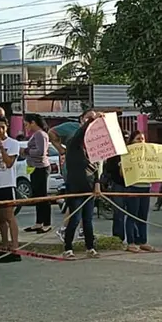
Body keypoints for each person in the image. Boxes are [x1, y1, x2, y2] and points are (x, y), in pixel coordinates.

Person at [62, 110, 102, 258]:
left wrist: (97, 183)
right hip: (75, 188)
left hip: (90, 188)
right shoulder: (73, 144)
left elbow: (97, 167)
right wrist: (91, 121)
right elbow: (80, 134)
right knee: (75, 218)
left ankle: (90, 247)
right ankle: (68, 248)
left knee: (88, 220)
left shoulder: (93, 148)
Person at [107, 130, 155, 252]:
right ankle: (131, 242)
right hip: (133, 186)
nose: (141, 141)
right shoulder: (126, 154)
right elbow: (122, 174)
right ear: (132, 141)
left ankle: (143, 241)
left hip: (146, 187)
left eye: (142, 139)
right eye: (138, 139)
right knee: (132, 215)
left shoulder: (149, 153)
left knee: (143, 216)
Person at [0, 115, 21, 263]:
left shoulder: (13, 143)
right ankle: (4, 247)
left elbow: (8, 163)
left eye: (3, 126)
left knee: (9, 216)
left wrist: (1, 148)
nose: (0, 129)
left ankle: (15, 248)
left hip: (7, 184)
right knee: (0, 218)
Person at [21, 113, 52, 233]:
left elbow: (41, 151)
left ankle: (47, 223)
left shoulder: (40, 134)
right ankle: (39, 222)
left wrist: (27, 150)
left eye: (27, 124)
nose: (26, 127)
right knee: (38, 196)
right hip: (34, 167)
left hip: (41, 168)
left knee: (43, 195)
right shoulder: (35, 135)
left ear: (33, 122)